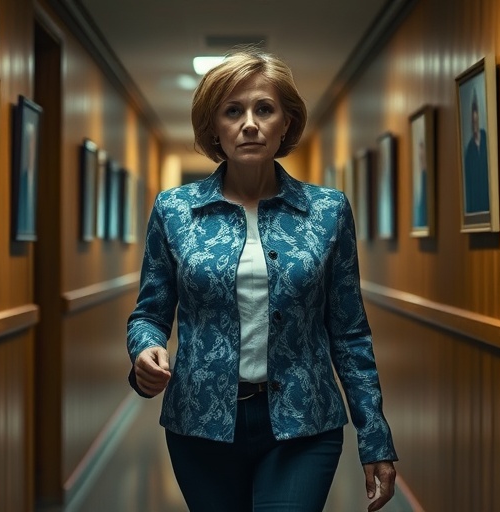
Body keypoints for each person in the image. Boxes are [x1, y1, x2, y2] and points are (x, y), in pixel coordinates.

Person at [126, 47, 398, 512]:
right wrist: (144, 351)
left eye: (264, 109)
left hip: (303, 422)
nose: (249, 123)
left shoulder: (328, 212)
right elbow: (149, 312)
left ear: (286, 122)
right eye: (233, 111)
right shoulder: (174, 210)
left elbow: (350, 332)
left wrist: (375, 437)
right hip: (201, 424)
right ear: (214, 126)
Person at [463, 90, 489, 214]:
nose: (474, 125)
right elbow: (469, 188)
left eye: (476, 121)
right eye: (472, 123)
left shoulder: (487, 140)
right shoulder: (469, 151)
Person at [412, 138, 428, 229]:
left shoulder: (426, 179)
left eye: (423, 157)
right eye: (420, 157)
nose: (421, 160)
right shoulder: (419, 177)